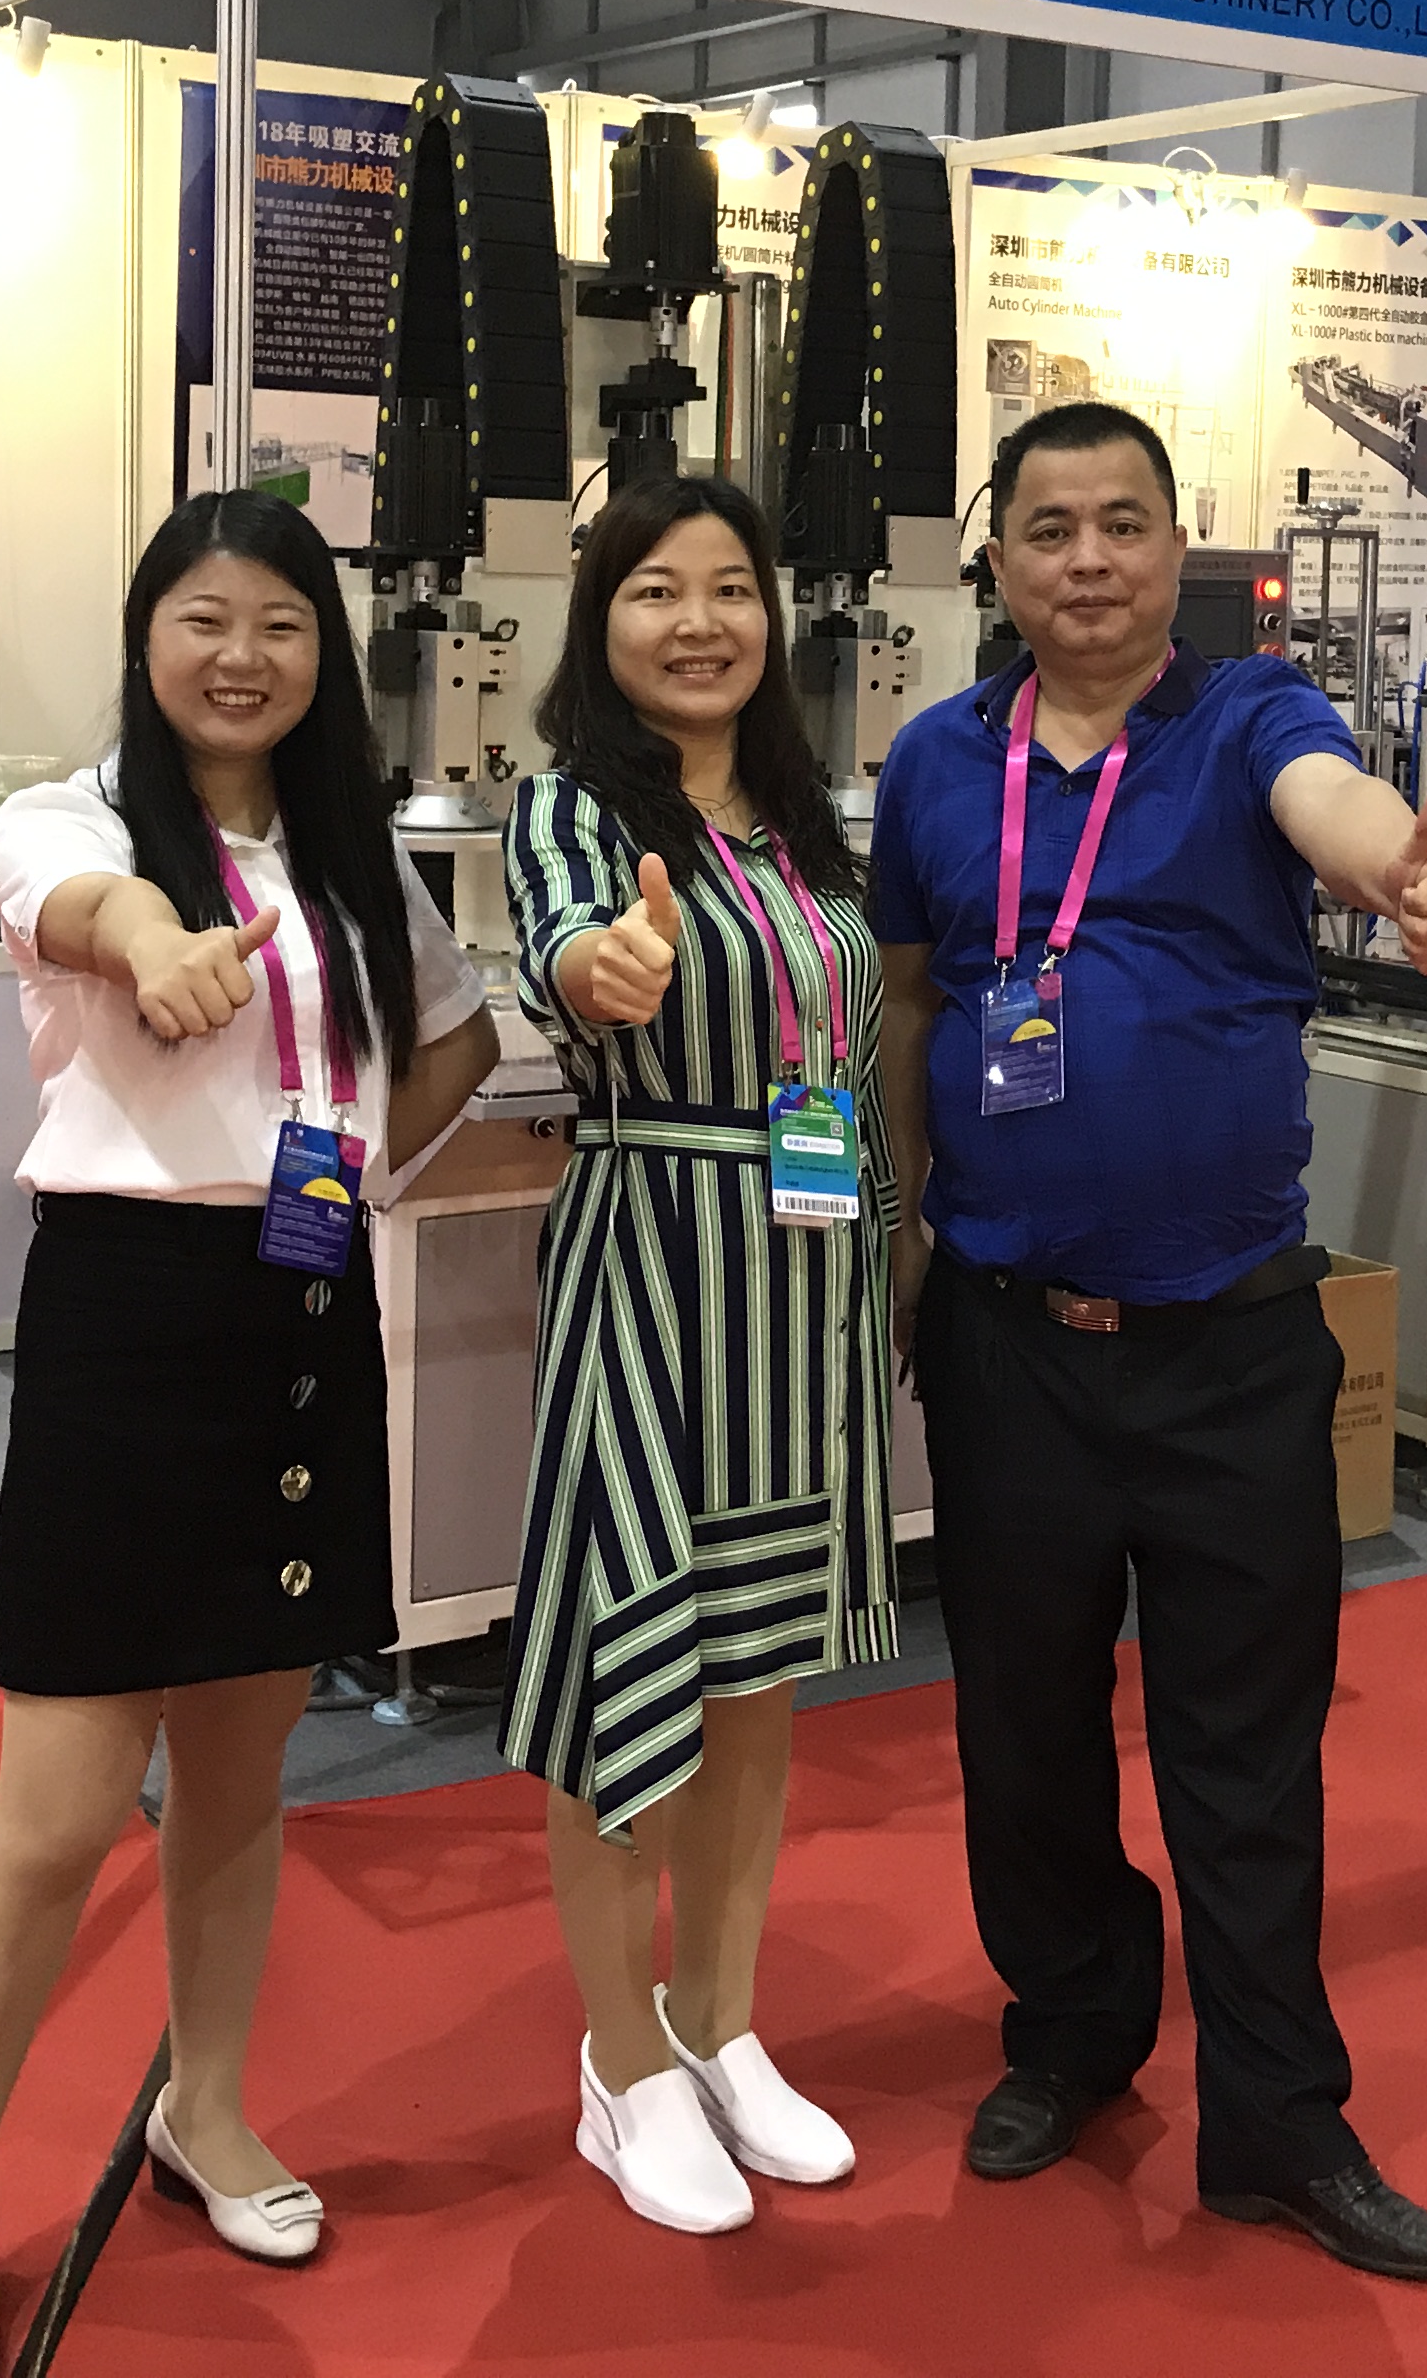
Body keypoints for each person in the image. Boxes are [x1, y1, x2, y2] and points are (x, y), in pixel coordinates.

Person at [0, 492, 499, 2375]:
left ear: (326, 654)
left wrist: (365, 1157)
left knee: (241, 1773)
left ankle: (204, 2107)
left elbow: (457, 1033)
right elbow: (91, 915)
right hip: (128, 1317)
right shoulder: (69, 819)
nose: (243, 656)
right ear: (149, 636)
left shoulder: (349, 853)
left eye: (282, 625)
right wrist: (154, 940)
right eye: (206, 619)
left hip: (300, 1304)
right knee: (62, 1807)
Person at [871, 400, 1427, 2284]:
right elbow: (913, 998)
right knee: (1023, 1730)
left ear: (1174, 547)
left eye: (1123, 523)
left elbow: (1335, 810)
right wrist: (898, 1227)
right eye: (1049, 527)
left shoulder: (1249, 717)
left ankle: (1278, 2121)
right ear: (997, 557)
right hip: (1008, 1338)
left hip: (1230, 1343)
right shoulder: (936, 760)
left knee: (1247, 1753)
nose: (1088, 559)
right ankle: (1070, 2029)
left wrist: (1405, 873)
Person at [498, 475, 899, 2235]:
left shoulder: (808, 825)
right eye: (654, 588)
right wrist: (605, 965)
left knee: (758, 1678)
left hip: (805, 1285)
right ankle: (618, 2061)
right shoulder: (574, 809)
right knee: (631, 1675)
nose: (697, 621)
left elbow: (854, 1046)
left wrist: (890, 1252)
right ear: (601, 620)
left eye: (729, 587)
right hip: (655, 1265)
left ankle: (717, 2019)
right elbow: (566, 951)